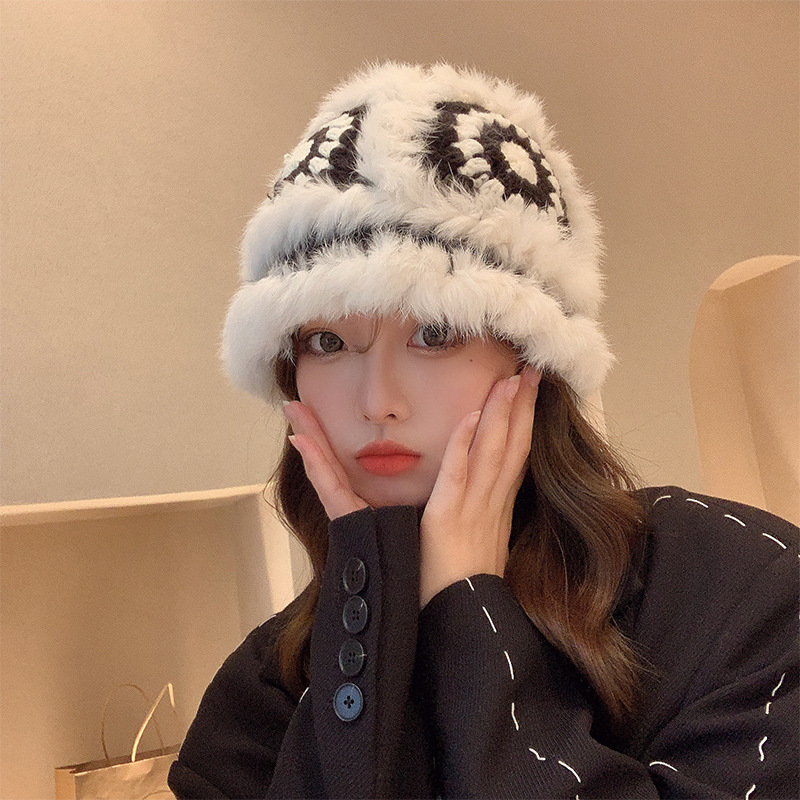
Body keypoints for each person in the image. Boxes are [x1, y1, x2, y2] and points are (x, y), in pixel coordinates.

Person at [168, 63, 798, 799]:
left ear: (533, 357)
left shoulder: (741, 587)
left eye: (435, 332)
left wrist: (466, 608)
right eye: (328, 342)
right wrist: (371, 603)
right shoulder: (267, 688)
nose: (377, 401)